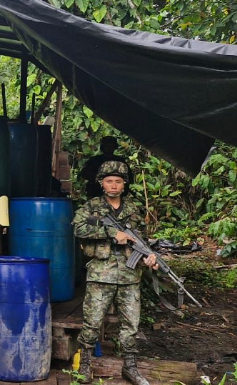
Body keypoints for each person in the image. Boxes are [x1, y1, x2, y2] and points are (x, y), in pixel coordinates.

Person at [72, 160, 157, 385]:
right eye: (109, 181)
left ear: (124, 184)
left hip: (130, 277)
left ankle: (130, 367)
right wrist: (112, 232)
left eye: (118, 181)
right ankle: (85, 365)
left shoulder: (133, 209)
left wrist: (150, 257)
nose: (113, 185)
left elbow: (143, 240)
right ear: (101, 183)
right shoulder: (91, 207)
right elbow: (78, 228)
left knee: (131, 325)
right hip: (101, 274)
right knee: (92, 322)